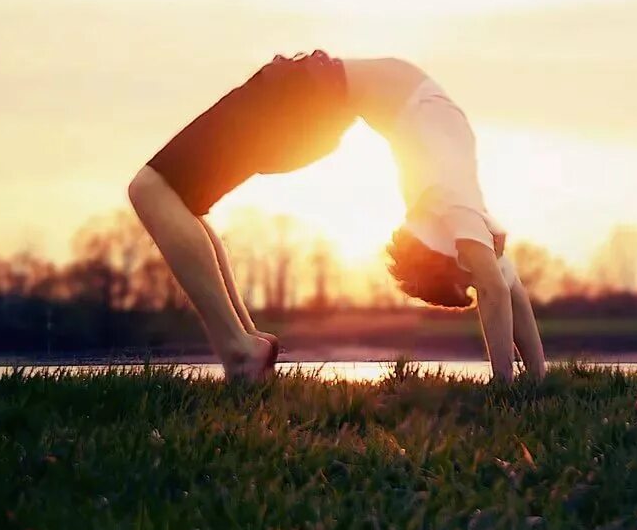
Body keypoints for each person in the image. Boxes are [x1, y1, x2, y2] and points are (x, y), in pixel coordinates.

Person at [127, 51, 546, 383]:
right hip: (315, 103)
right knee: (175, 200)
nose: (477, 272)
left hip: (308, 99)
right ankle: (244, 346)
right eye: (470, 274)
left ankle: (241, 350)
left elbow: (496, 286)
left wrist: (509, 385)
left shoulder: (449, 196)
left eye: (466, 275)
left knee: (150, 190)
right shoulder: (457, 198)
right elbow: (507, 286)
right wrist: (530, 380)